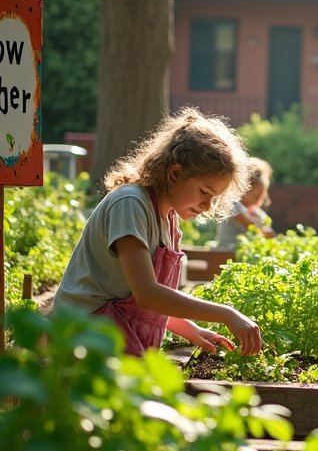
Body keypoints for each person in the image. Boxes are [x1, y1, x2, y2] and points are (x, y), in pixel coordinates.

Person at [53, 107, 262, 358]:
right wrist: (226, 313)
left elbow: (140, 300)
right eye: (205, 192)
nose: (207, 205)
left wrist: (190, 329)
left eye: (214, 198)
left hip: (112, 334)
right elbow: (147, 294)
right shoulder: (130, 203)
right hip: (80, 338)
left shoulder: (168, 218)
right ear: (175, 173)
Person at [215, 157, 275, 250]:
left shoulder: (253, 211)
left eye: (261, 196)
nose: (259, 200)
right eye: (256, 195)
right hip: (226, 253)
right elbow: (250, 227)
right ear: (243, 191)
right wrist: (263, 231)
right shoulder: (233, 204)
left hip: (240, 253)